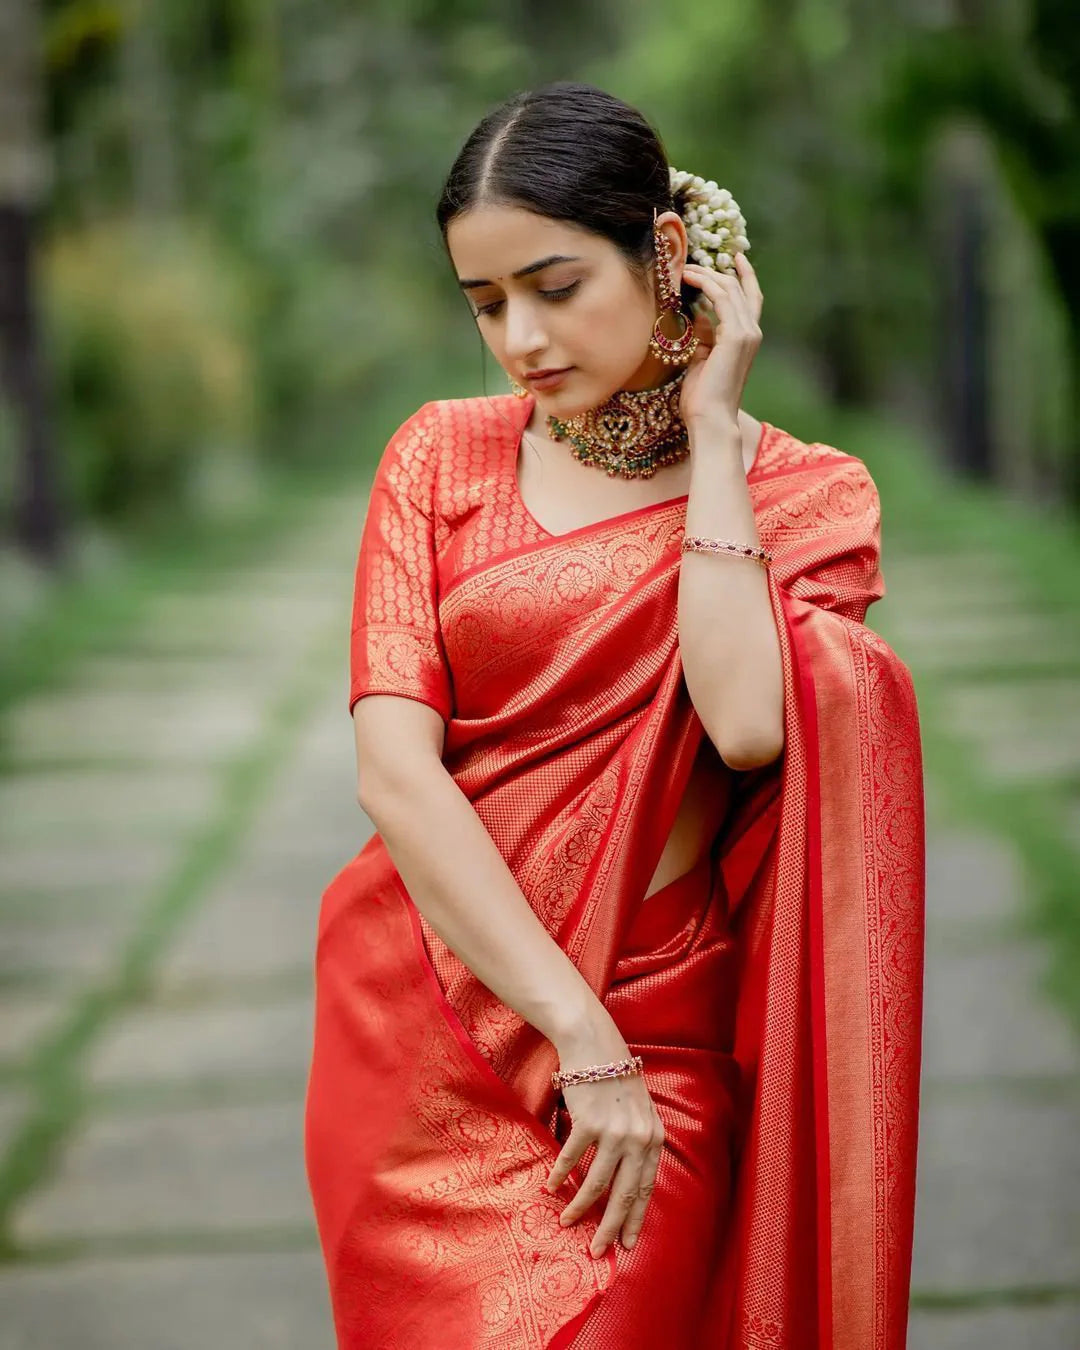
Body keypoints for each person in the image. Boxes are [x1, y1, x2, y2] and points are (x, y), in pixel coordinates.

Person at [304, 81, 925, 1350]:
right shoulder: (438, 460)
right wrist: (573, 1035)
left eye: (554, 285)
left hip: (654, 1036)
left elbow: (746, 723)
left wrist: (711, 437)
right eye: (485, 305)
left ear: (667, 258)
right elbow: (394, 775)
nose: (521, 338)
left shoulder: (804, 496)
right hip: (433, 1028)